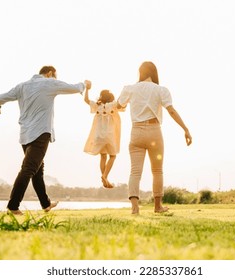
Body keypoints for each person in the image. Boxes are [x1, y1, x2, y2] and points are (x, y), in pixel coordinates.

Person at [0, 65, 91, 215]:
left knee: (37, 170)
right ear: (50, 73)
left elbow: (0, 98)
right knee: (29, 169)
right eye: (55, 77)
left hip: (25, 135)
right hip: (40, 133)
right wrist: (85, 84)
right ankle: (13, 206)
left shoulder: (22, 86)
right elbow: (72, 88)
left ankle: (45, 204)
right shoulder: (49, 83)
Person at [116, 61, 192, 215]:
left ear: (140, 73)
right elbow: (171, 111)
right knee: (157, 171)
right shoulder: (160, 90)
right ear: (154, 73)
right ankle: (158, 207)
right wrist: (185, 129)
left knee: (135, 172)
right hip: (154, 131)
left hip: (136, 131)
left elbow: (118, 105)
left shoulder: (130, 89)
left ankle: (135, 208)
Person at [82, 88, 126, 189]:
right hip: (110, 136)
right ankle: (105, 176)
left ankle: (105, 180)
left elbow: (86, 100)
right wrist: (124, 92)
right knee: (113, 156)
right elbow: (122, 103)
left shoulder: (97, 106)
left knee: (103, 157)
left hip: (99, 136)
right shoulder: (113, 105)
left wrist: (87, 89)